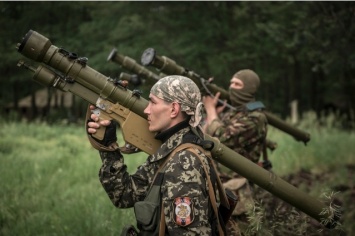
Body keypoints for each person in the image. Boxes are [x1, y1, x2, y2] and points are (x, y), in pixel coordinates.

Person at [87, 75, 230, 235]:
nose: (146, 110)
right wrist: (109, 147)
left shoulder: (183, 162)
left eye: (153, 102)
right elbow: (124, 194)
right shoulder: (171, 150)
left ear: (174, 109)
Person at [202, 69, 268, 222]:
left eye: (237, 84)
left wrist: (211, 110)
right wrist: (213, 115)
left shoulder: (256, 118)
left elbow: (221, 138)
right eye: (231, 83)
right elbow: (206, 137)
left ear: (249, 88)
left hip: (238, 193)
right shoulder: (232, 114)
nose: (231, 87)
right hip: (218, 185)